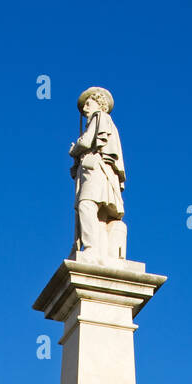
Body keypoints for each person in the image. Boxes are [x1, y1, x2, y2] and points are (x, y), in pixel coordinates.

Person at [69, 87, 127, 261]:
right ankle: (101, 251)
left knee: (86, 204)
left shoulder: (99, 117)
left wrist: (74, 149)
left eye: (88, 103)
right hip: (97, 170)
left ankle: (92, 249)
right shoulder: (106, 121)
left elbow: (86, 142)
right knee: (99, 215)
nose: (85, 108)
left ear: (99, 104)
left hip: (96, 169)